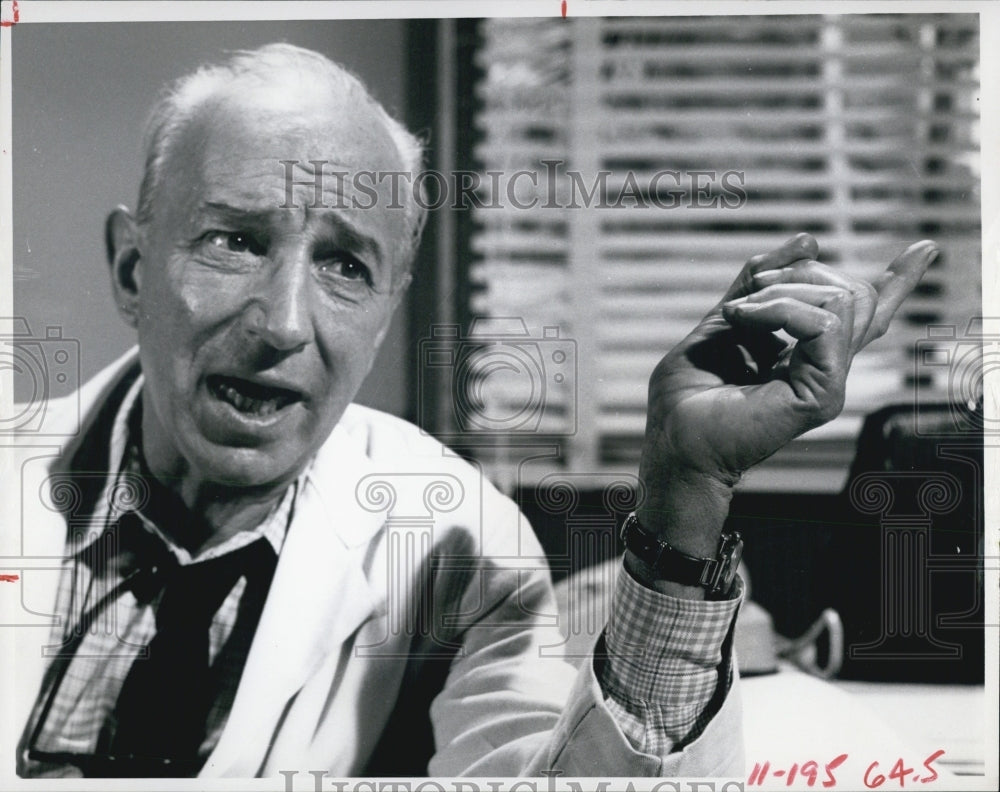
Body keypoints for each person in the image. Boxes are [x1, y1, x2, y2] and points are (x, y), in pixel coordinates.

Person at [3, 43, 938, 779]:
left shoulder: (454, 536)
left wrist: (684, 493)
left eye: (345, 267)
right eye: (235, 242)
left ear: (385, 313)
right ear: (133, 269)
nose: (285, 324)